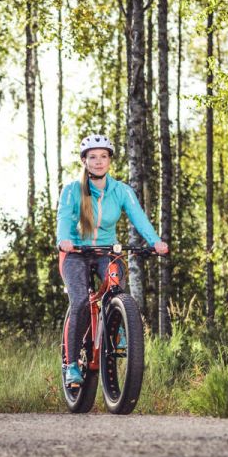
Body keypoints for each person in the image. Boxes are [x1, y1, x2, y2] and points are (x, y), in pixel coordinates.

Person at [56, 133, 168, 389]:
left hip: (107, 250)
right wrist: (64, 239)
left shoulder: (121, 191)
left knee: (116, 284)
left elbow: (139, 218)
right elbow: (63, 219)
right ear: (84, 161)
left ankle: (116, 326)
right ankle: (72, 364)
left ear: (109, 161)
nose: (98, 161)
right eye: (93, 157)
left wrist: (155, 242)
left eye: (103, 157)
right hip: (75, 253)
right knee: (81, 300)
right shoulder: (73, 190)